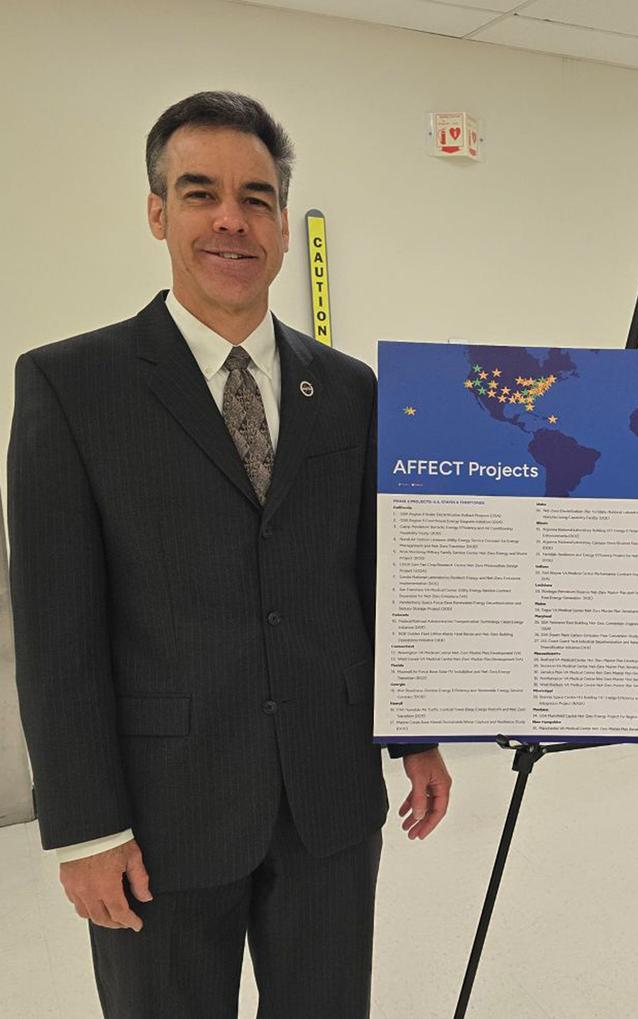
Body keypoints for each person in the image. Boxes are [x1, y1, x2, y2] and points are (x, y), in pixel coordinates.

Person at [7, 91, 450, 1019]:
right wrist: (83, 827)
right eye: (200, 192)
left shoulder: (351, 390)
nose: (230, 219)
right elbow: (56, 629)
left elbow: (369, 580)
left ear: (285, 225)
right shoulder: (70, 385)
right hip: (164, 813)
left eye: (256, 197)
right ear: (158, 212)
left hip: (326, 800)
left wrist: (414, 734)